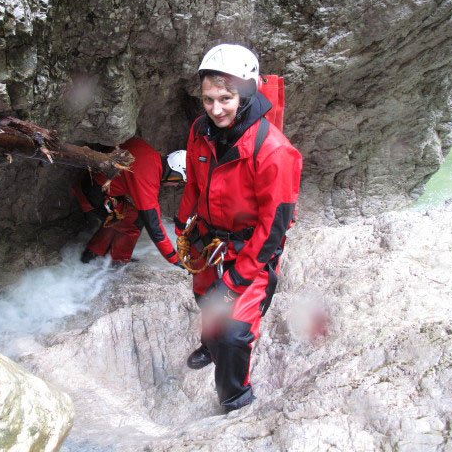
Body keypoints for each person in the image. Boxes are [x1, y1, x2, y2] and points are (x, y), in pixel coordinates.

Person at [174, 44, 302, 412]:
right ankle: (209, 346)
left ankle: (235, 399)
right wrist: (184, 228)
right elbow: (195, 184)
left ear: (247, 92)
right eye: (208, 99)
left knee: (232, 332)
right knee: (206, 299)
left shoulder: (275, 152)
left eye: (226, 99)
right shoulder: (201, 131)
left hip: (250, 249)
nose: (216, 110)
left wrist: (235, 282)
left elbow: (273, 228)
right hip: (209, 238)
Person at [73, 137, 186, 266]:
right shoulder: (148, 179)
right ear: (174, 173)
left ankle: (92, 254)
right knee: (135, 221)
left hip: (89, 180)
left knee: (124, 217)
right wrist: (173, 258)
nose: (176, 185)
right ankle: (117, 262)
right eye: (179, 181)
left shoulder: (146, 149)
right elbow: (154, 226)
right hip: (92, 194)